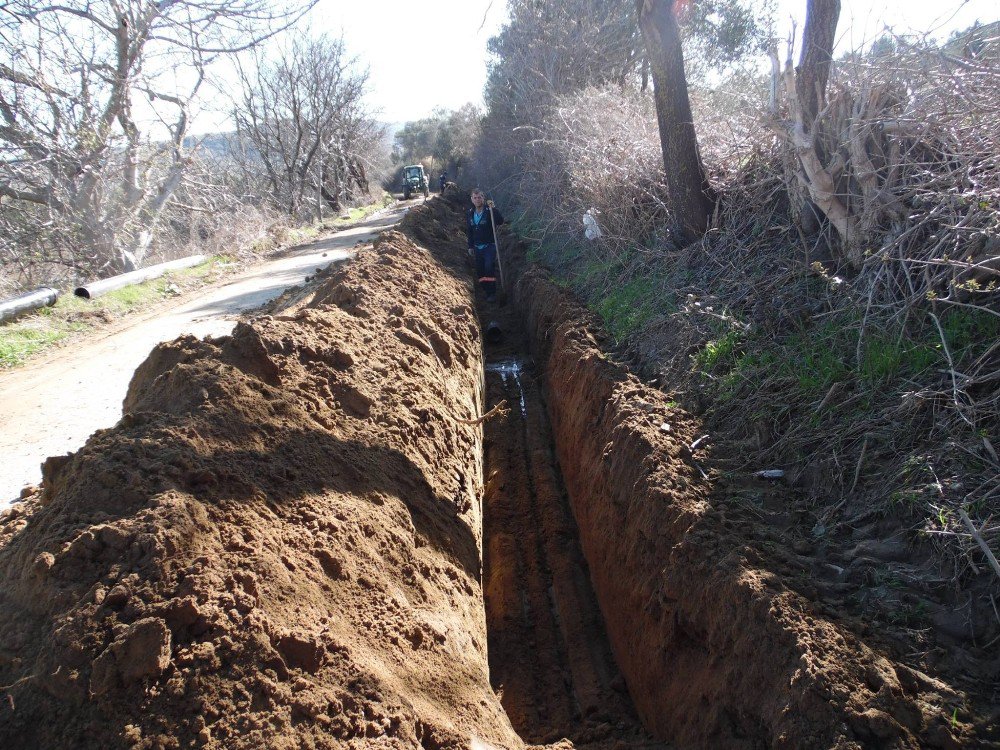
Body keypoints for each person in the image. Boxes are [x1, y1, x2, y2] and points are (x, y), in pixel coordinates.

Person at [466, 188, 505, 302]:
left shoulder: (490, 211)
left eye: (480, 197)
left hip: (489, 246)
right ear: (472, 199)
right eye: (475, 197)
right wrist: (470, 246)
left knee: (488, 267)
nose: (477, 200)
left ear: (483, 198)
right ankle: (485, 289)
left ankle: (491, 293)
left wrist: (494, 209)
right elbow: (469, 231)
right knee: (480, 271)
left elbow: (500, 221)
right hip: (477, 247)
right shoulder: (469, 213)